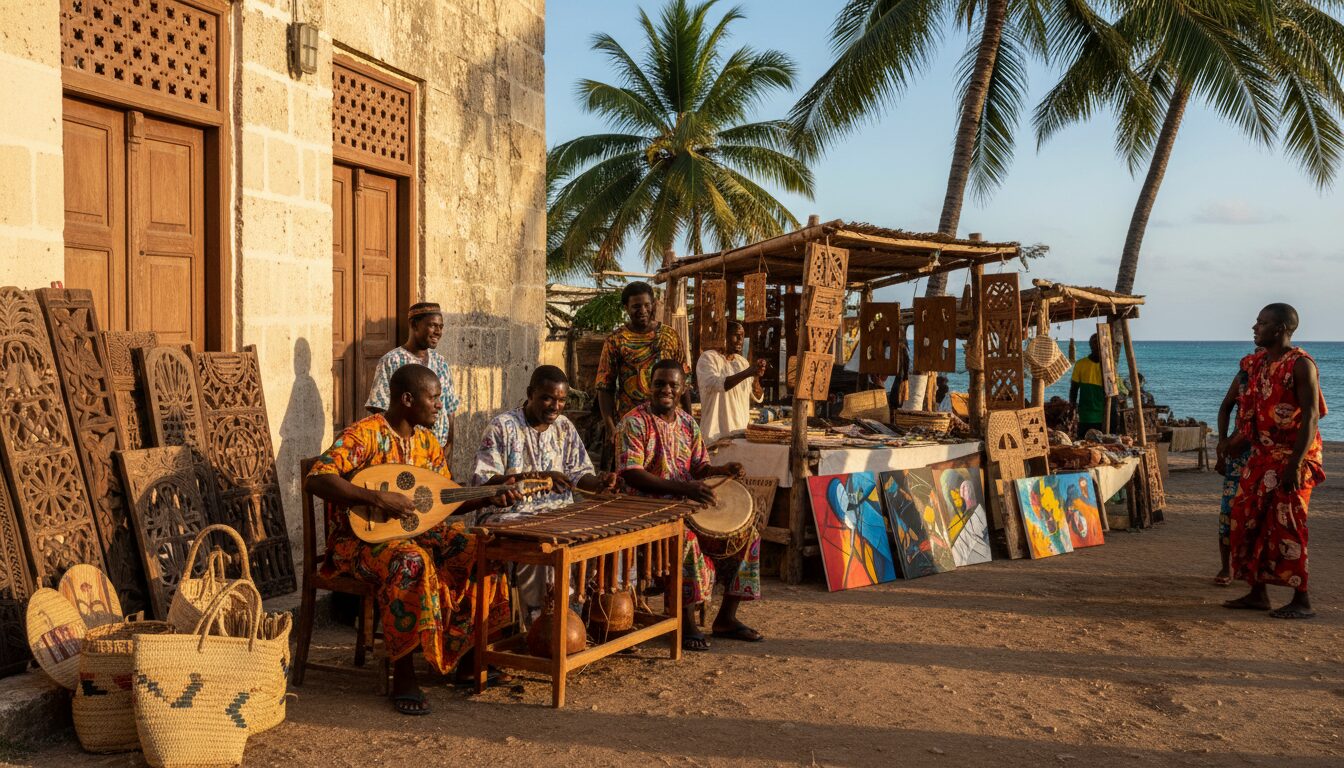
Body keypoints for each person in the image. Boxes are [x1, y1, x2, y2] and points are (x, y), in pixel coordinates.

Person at [306, 365, 520, 715]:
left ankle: (467, 656)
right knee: (410, 561)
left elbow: (442, 502)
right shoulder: (365, 435)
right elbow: (317, 479)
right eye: (433, 398)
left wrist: (489, 496)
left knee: (478, 547)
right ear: (407, 399)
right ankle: (403, 673)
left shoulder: (427, 443)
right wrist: (375, 499)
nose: (440, 405)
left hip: (417, 532)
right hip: (359, 543)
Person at [617, 359, 763, 651]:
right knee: (687, 541)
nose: (666, 390)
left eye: (673, 384)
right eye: (660, 383)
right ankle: (685, 622)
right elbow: (632, 473)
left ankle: (725, 619)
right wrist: (686, 488)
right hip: (646, 511)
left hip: (688, 505)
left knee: (750, 536)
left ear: (683, 387)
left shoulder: (687, 422)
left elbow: (698, 467)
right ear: (649, 384)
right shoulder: (633, 421)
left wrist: (721, 471)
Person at [472, 365, 618, 620]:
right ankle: (541, 623)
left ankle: (580, 618)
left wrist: (600, 483)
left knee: (603, 540)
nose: (555, 406)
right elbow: (483, 481)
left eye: (561, 400)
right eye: (548, 398)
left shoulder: (564, 427)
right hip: (508, 517)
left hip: (559, 515)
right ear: (530, 393)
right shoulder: (502, 427)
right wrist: (536, 477)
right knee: (543, 550)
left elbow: (578, 473)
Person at [1224, 304, 1326, 619]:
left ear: (1280, 328)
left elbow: (1310, 416)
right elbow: (1245, 408)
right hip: (1261, 456)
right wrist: (1231, 441)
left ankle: (1302, 599)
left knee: (1288, 525)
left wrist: (1295, 464)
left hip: (1293, 456)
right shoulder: (1258, 364)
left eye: (1262, 322)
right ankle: (1257, 593)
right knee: (1246, 520)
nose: (1255, 327)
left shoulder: (1301, 365)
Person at [595, 282, 690, 449]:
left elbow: (685, 381)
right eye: (636, 306)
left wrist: (689, 420)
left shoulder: (670, 336)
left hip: (669, 422)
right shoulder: (616, 340)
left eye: (647, 305)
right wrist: (610, 427)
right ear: (626, 307)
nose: (643, 311)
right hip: (631, 423)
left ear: (653, 304)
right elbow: (605, 386)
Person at [366, 302, 460, 452]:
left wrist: (449, 445)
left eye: (441, 327)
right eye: (433, 325)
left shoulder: (441, 363)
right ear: (415, 325)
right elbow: (380, 408)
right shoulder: (392, 360)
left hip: (437, 449)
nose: (438, 332)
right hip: (406, 448)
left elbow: (450, 408)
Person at [1213, 364, 1254, 586]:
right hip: (1238, 456)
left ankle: (1253, 571)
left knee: (1259, 515)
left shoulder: (1287, 370)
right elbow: (1226, 407)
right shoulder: (1245, 373)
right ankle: (1225, 566)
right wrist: (1222, 443)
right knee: (1228, 511)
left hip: (1265, 455)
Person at [695, 320, 766, 443]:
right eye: (736, 335)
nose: (740, 340)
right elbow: (719, 384)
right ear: (724, 336)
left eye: (742, 336)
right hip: (715, 435)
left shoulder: (742, 362)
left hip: (739, 433)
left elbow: (757, 395)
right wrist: (748, 372)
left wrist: (756, 376)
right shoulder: (708, 358)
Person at [1070, 333, 1107, 436]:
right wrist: (1072, 407)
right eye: (1094, 343)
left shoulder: (1108, 367)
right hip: (1085, 413)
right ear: (1090, 345)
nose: (1096, 346)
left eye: (1098, 343)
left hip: (1102, 413)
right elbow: (1074, 388)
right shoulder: (1080, 364)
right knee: (1083, 442)